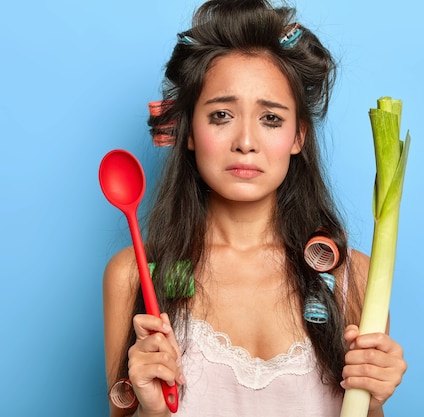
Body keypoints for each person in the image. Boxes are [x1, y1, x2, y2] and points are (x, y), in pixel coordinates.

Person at [103, 1, 407, 416]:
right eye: (221, 115)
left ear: (298, 136)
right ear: (189, 131)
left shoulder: (352, 278)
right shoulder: (135, 274)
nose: (245, 140)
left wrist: (373, 401)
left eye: (271, 119)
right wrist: (152, 410)